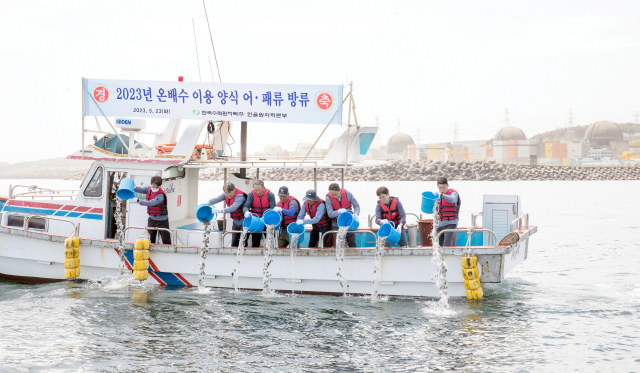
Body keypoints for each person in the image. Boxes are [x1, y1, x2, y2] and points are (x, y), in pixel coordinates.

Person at [131, 175, 171, 245]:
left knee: (166, 239)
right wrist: (134, 187)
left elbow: (151, 203)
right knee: (150, 239)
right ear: (150, 183)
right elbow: (142, 190)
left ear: (160, 186)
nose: (155, 188)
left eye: (157, 187)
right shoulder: (149, 188)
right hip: (151, 219)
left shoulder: (160, 196)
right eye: (153, 186)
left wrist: (138, 201)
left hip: (162, 220)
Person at [206, 182, 248, 247]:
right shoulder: (226, 193)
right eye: (226, 193)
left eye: (230, 193)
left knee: (243, 243)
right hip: (235, 222)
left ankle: (245, 256)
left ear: (234, 190)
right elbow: (217, 199)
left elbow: (233, 207)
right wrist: (208, 202)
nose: (228, 195)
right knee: (234, 243)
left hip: (244, 221)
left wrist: (220, 211)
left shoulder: (240, 196)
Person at [325, 183, 360, 248]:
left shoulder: (348, 194)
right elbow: (330, 214)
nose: (334, 196)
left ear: (340, 191)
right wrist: (338, 211)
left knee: (352, 243)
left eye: (336, 194)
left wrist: (356, 215)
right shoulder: (328, 198)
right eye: (332, 194)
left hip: (349, 223)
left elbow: (356, 206)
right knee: (337, 245)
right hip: (336, 224)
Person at [243, 179, 276, 247]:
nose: (257, 192)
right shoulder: (251, 195)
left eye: (259, 189)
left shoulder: (270, 195)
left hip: (267, 221)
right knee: (255, 241)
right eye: (255, 189)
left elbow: (273, 209)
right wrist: (246, 212)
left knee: (270, 241)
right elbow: (246, 206)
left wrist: (265, 217)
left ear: (264, 188)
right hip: (256, 222)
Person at [436, 177, 461, 247]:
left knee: (447, 245)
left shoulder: (453, 193)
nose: (442, 189)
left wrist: (442, 196)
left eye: (444, 187)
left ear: (448, 185)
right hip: (440, 224)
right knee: (437, 245)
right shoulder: (437, 195)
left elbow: (452, 199)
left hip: (451, 223)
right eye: (440, 188)